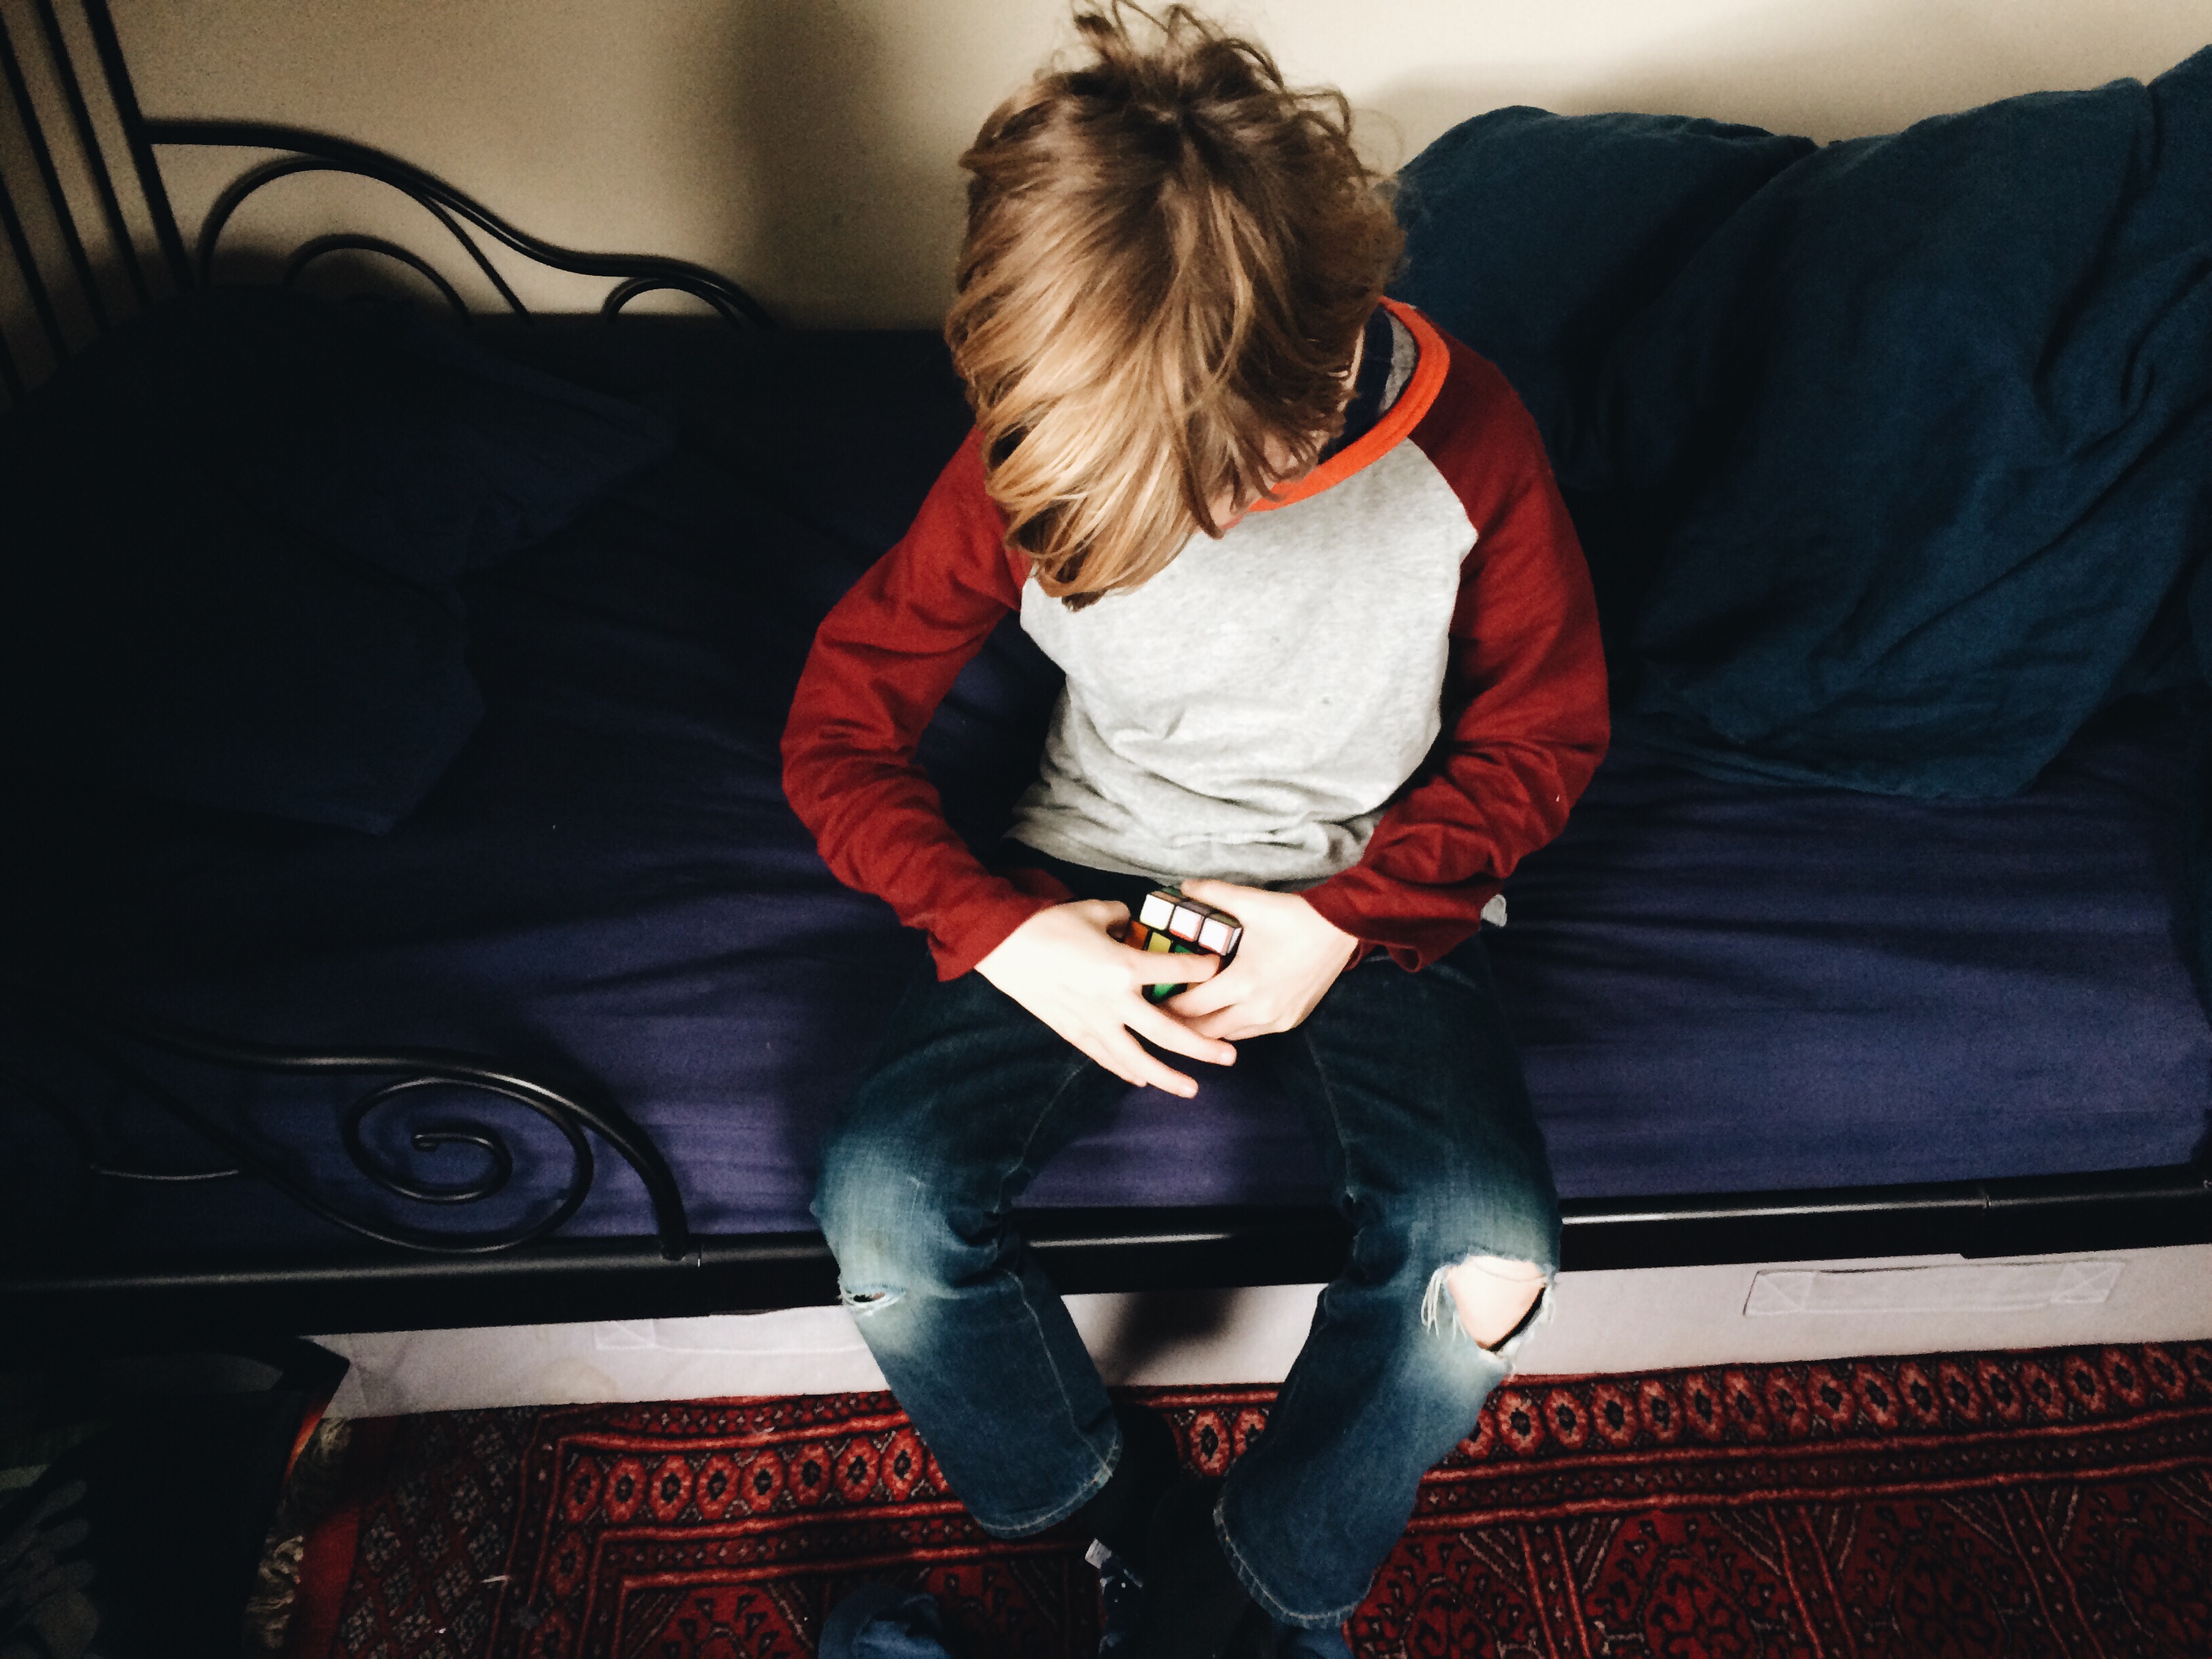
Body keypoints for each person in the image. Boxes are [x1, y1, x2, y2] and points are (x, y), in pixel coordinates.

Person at [782, 5, 1607, 1654]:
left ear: (1317, 376)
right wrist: (1012, 936)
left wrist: (1347, 924)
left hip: (1369, 886)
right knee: (884, 1210)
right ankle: (1149, 1543)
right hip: (1092, 874)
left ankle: (1244, 1595)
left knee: (1490, 1263)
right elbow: (837, 737)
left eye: (1196, 492)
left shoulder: (1475, 443)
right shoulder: (1038, 453)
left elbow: (1547, 734)